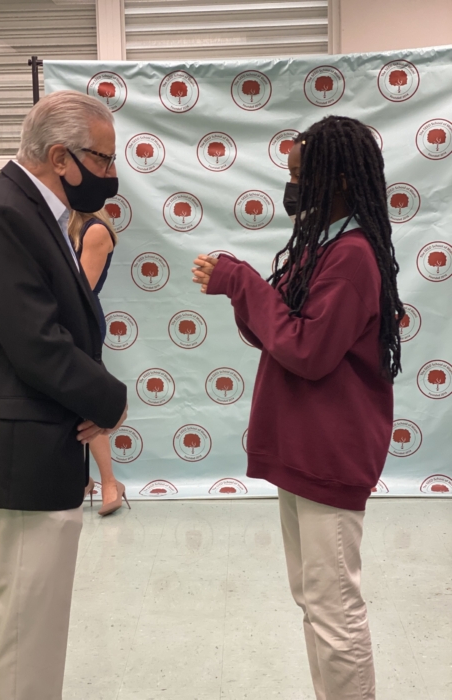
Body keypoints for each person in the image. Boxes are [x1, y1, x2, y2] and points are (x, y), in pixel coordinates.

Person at [192, 115, 404, 700]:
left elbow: (308, 350)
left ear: (339, 179)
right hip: (304, 447)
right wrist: (239, 290)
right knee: (314, 601)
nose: (291, 188)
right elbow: (278, 329)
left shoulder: (352, 255)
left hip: (329, 453)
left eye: (299, 175)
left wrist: (241, 282)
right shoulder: (323, 246)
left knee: (333, 609)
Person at [0, 90, 128, 700]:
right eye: (102, 160)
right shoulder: (4, 212)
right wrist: (109, 400)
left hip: (39, 437)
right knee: (27, 626)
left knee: (31, 623)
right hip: (23, 447)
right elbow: (36, 342)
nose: (110, 174)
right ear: (59, 156)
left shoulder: (33, 211)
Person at [69, 207, 130, 516]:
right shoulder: (62, 228)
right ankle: (83, 479)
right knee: (70, 400)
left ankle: (109, 482)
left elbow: (79, 293)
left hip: (79, 322)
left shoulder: (94, 230)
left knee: (89, 398)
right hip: (63, 321)